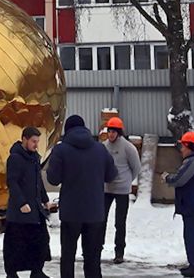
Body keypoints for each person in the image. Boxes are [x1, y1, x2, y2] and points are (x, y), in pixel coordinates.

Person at [47, 115, 117, 278]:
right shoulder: (100, 148)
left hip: (71, 212)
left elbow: (53, 178)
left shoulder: (61, 149)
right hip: (95, 212)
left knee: (68, 257)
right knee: (93, 258)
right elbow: (111, 175)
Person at [4, 127, 53, 278]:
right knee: (16, 243)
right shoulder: (15, 158)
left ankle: (37, 271)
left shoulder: (34, 158)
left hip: (35, 208)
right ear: (24, 139)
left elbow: (39, 182)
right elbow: (12, 182)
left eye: (37, 141)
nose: (36, 145)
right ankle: (11, 273)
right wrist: (21, 203)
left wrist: (45, 200)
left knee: (41, 241)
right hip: (20, 211)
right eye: (33, 141)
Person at [162, 131, 194, 278]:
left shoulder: (193, 161)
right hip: (192, 205)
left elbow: (179, 179)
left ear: (189, 146)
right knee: (191, 235)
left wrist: (168, 178)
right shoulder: (192, 161)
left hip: (193, 206)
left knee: (193, 235)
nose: (181, 149)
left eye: (183, 145)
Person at [102, 116, 141, 264]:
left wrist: (127, 180)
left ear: (119, 132)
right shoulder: (104, 146)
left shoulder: (128, 147)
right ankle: (97, 247)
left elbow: (136, 167)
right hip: (106, 188)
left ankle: (119, 252)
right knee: (101, 219)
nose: (111, 134)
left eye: (113, 132)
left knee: (120, 222)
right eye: (109, 131)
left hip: (122, 190)